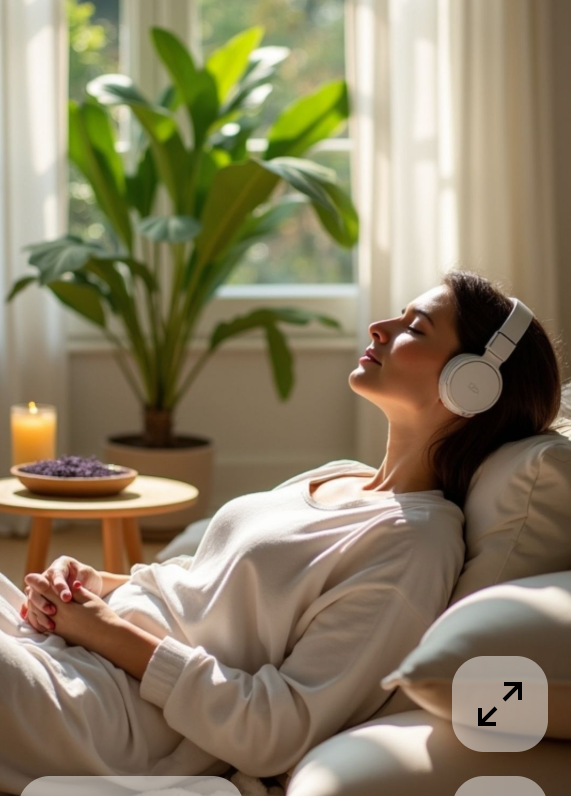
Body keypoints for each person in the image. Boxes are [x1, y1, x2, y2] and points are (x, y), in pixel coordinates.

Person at [0, 270, 562, 793]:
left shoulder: (413, 545)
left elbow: (279, 729)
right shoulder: (341, 476)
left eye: (415, 327)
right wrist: (101, 584)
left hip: (111, 711)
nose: (380, 327)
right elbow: (208, 589)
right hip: (66, 644)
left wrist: (105, 633)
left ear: (472, 385)